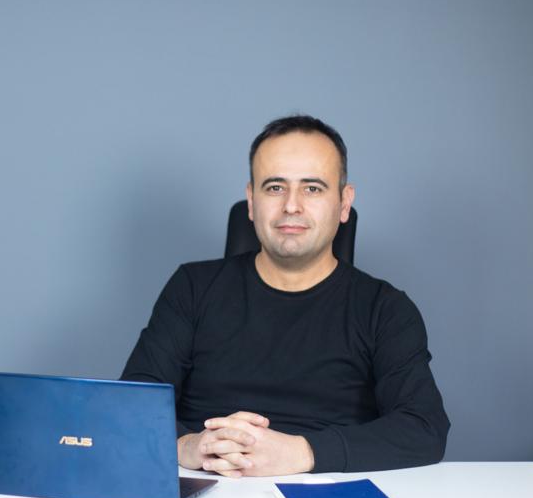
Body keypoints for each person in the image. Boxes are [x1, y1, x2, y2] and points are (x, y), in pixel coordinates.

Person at [121, 114, 449, 477]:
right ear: (251, 201)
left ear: (344, 203)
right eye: (275, 187)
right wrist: (187, 446)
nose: (292, 206)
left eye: (313, 188)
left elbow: (425, 428)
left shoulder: (384, 309)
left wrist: (302, 452)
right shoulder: (192, 287)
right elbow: (130, 406)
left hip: (326, 492)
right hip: (206, 484)